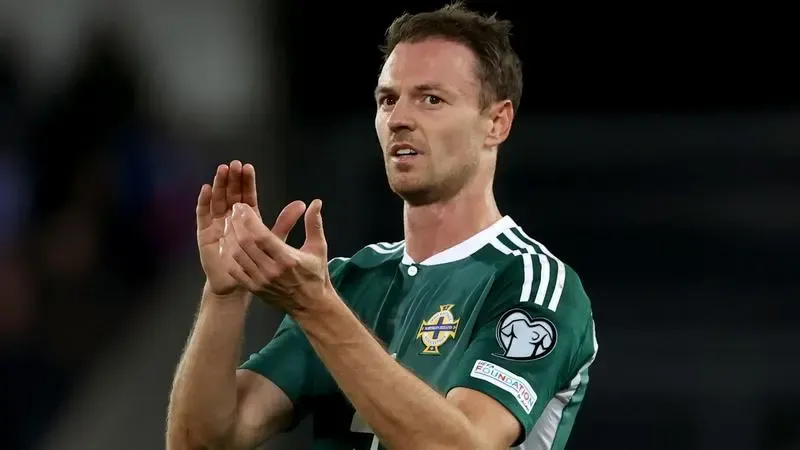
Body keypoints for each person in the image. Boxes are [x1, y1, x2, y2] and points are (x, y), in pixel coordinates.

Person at [167, 3, 598, 450]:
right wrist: (224, 295)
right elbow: (199, 443)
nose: (399, 119)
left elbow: (460, 445)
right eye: (388, 100)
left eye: (431, 99)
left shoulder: (530, 284)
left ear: (496, 122)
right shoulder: (350, 283)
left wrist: (317, 310)